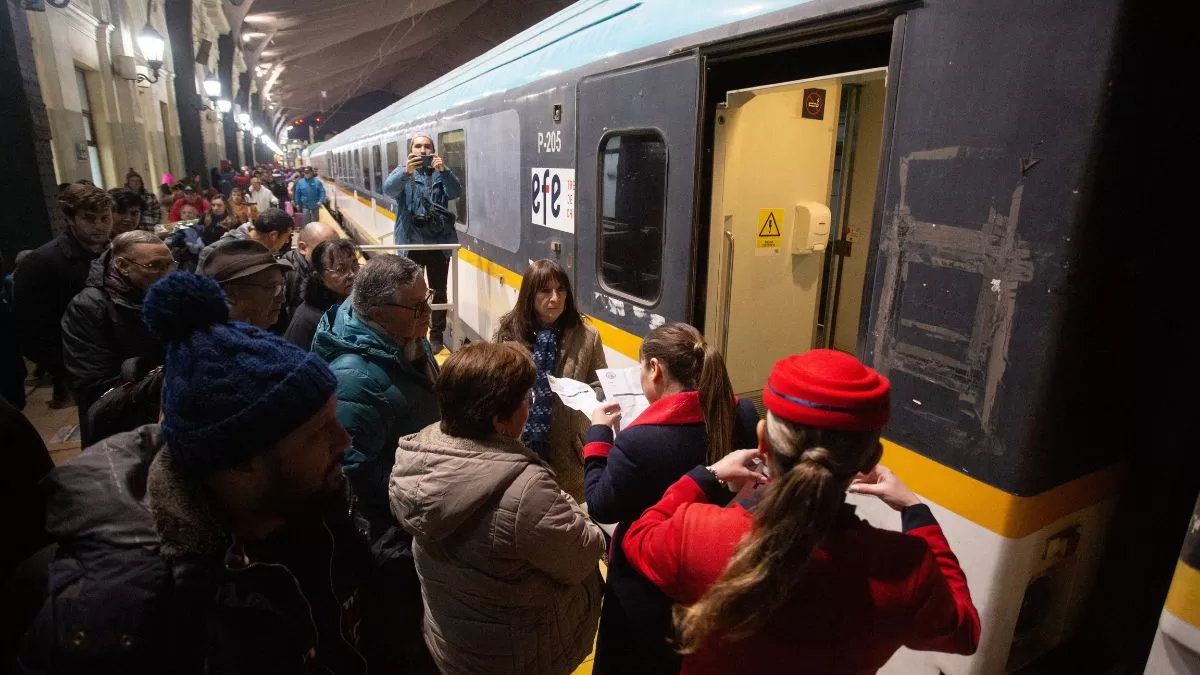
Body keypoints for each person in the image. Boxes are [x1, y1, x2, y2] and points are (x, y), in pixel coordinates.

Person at [17, 271, 415, 674]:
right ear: (241, 463)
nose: (344, 440)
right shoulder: (118, 618)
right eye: (318, 432)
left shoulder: (318, 505)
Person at [621, 350, 981, 674]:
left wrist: (707, 475)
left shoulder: (698, 533)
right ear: (869, 460)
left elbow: (639, 536)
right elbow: (964, 633)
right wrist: (915, 511)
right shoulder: (906, 570)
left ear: (763, 441)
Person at [390, 341, 605, 675]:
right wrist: (566, 501)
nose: (530, 407)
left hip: (454, 643)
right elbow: (583, 554)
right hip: (517, 655)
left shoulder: (423, 451)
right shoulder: (527, 492)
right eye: (527, 399)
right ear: (499, 421)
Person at [582, 322, 758, 673]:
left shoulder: (638, 443)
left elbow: (600, 503)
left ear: (655, 369)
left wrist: (599, 434)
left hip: (647, 581)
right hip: (713, 574)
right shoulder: (742, 413)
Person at [312, 254, 438, 536]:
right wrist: (427, 494)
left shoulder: (406, 335)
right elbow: (357, 474)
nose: (428, 312)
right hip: (399, 523)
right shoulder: (353, 380)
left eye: (427, 299)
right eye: (417, 307)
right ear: (378, 313)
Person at [493, 259, 607, 501]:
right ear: (530, 295)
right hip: (519, 446)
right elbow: (496, 389)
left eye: (561, 290)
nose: (555, 298)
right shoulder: (509, 334)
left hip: (569, 452)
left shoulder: (587, 337)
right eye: (545, 291)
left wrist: (583, 393)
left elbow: (600, 386)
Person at [61, 231, 172, 446]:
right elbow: (94, 385)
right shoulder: (88, 307)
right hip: (117, 432)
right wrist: (165, 373)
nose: (166, 273)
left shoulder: (165, 295)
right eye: (155, 265)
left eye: (169, 264)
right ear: (123, 266)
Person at [12, 183, 113, 409]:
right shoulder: (41, 263)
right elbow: (32, 332)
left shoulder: (114, 251)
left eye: (105, 218)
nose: (99, 226)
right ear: (70, 218)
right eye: (89, 218)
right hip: (81, 369)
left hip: (117, 362)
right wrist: (70, 371)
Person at [382, 135, 463, 352]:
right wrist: (405, 172)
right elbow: (388, 190)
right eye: (418, 146)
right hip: (411, 244)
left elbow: (456, 192)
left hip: (438, 244)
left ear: (433, 150)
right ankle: (413, 333)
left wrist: (444, 171)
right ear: (411, 150)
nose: (423, 150)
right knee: (410, 291)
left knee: (439, 291)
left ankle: (436, 335)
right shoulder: (404, 171)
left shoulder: (440, 172)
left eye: (427, 146)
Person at [199, 238, 291, 330]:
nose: (282, 298)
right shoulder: (205, 341)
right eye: (271, 287)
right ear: (229, 293)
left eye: (281, 286)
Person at [284, 239, 357, 350]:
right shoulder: (307, 320)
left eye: (355, 266)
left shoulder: (353, 306)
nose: (352, 274)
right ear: (318, 275)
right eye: (341, 269)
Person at [274, 221, 338, 333]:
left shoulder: (322, 270)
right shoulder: (284, 275)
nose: (335, 256)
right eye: (326, 250)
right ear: (303, 248)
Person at [165, 195, 230, 272]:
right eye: (213, 205)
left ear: (225, 206)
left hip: (221, 251)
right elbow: (197, 230)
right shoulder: (206, 217)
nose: (215, 208)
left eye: (219, 205)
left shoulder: (233, 221)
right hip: (201, 250)